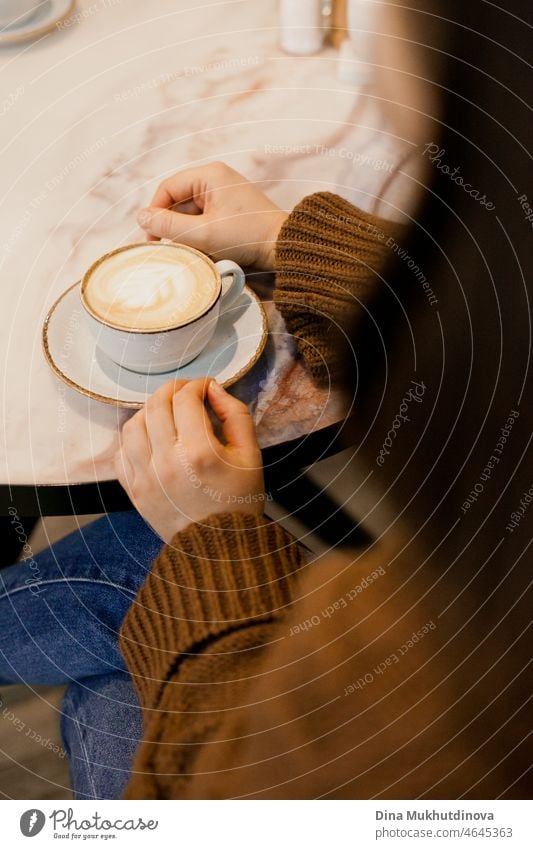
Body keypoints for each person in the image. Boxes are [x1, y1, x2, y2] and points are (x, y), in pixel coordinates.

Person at [1, 0, 531, 799]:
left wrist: (215, 540)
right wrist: (289, 236)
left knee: (140, 578)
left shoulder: (456, 677)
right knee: (119, 667)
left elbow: (234, 800)